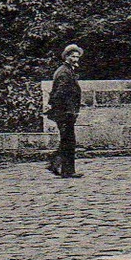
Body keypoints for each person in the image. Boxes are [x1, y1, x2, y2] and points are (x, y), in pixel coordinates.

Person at [45, 43, 85, 178]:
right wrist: (68, 110)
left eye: (77, 57)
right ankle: (67, 170)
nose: (76, 59)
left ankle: (55, 164)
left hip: (65, 111)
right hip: (65, 112)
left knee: (67, 140)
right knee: (69, 141)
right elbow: (59, 94)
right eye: (73, 56)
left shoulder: (68, 71)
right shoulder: (64, 72)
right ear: (67, 57)